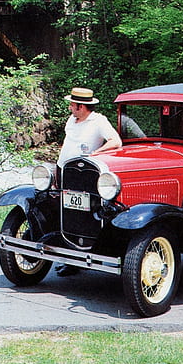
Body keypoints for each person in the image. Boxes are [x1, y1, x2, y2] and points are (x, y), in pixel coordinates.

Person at [56, 87, 122, 276]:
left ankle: (83, 256)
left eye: (72, 104)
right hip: (65, 169)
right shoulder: (72, 120)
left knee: (84, 213)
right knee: (67, 212)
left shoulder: (98, 121)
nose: (70, 107)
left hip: (85, 173)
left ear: (82, 106)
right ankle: (70, 258)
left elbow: (115, 141)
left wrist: (96, 153)